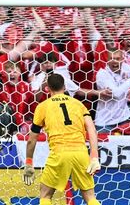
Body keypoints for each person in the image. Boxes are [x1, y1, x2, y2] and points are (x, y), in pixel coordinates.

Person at [23, 73, 101, 205]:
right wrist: (94, 156)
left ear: (47, 88)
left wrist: (29, 163)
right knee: (90, 197)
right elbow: (92, 129)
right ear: (64, 87)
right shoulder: (78, 104)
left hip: (59, 153)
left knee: (45, 195)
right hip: (80, 152)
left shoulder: (42, 107)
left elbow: (32, 139)